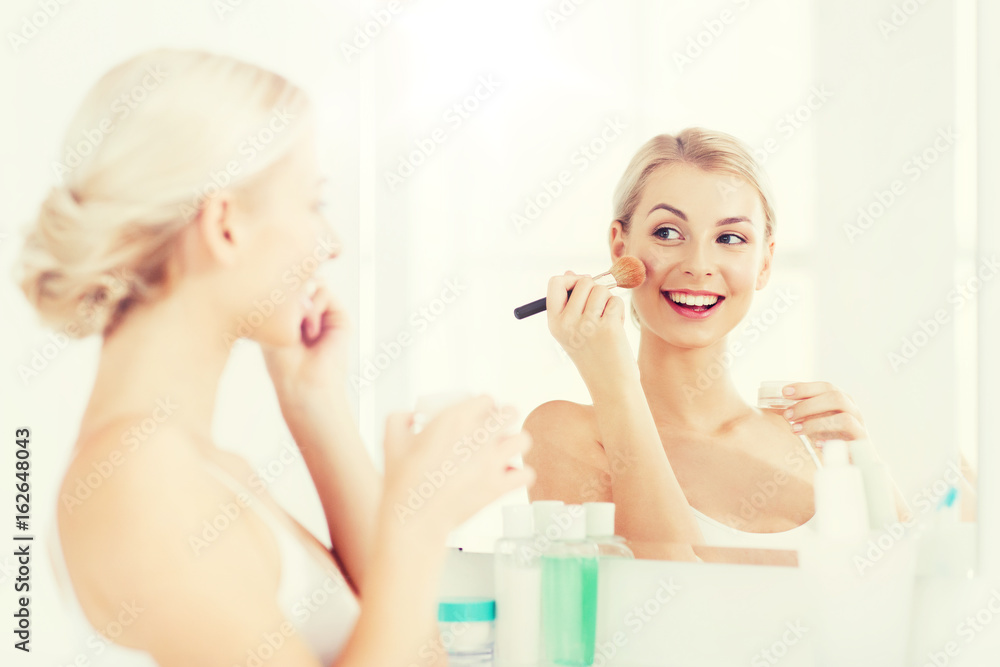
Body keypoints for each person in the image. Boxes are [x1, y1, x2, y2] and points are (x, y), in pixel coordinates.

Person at [17, 48, 533, 666]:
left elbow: (414, 649)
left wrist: (313, 402)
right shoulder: (141, 485)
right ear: (226, 225)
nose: (331, 244)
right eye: (313, 203)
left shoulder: (194, 466)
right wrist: (419, 523)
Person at [523, 129, 909, 563]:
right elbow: (673, 602)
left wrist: (868, 467)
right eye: (668, 233)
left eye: (729, 239)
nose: (698, 266)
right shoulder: (563, 433)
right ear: (619, 248)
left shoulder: (808, 435)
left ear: (764, 262)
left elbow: (917, 595)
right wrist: (612, 382)